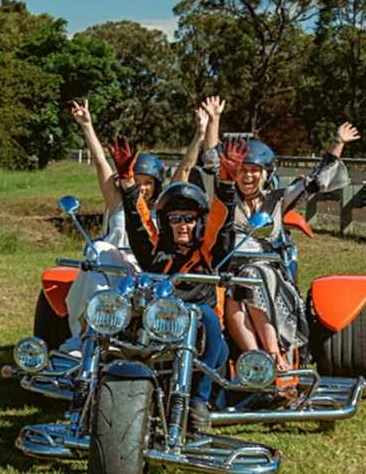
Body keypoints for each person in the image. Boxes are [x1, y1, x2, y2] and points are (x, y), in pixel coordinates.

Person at [202, 101, 362, 372]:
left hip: (268, 270)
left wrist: (337, 143)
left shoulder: (276, 200)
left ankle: (275, 356)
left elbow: (316, 182)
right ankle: (257, 360)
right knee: (232, 298)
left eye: (255, 170)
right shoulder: (226, 197)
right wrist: (214, 120)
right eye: (243, 169)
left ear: (265, 174)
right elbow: (211, 160)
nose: (249, 175)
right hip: (229, 271)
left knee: (250, 281)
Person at [115, 135, 247, 431]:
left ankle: (198, 400)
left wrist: (226, 183)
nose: (182, 224)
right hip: (158, 321)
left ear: (198, 221)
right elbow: (138, 223)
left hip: (198, 324)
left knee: (212, 327)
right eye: (175, 218)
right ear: (166, 222)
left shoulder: (208, 252)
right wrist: (126, 182)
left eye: (189, 218)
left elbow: (222, 227)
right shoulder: (156, 252)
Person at [63, 99, 210, 337]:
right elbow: (101, 162)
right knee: (99, 249)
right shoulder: (117, 202)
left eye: (148, 183)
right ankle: (85, 335)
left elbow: (185, 168)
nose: (141, 188)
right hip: (112, 265)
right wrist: (86, 124)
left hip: (151, 267)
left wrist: (200, 134)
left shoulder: (164, 208)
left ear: (157, 184)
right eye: (137, 181)